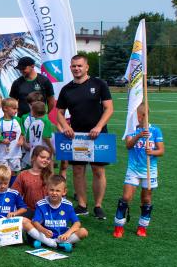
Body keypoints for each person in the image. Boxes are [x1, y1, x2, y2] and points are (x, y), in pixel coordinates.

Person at [55, 54, 114, 220]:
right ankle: (82, 205)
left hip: (98, 135)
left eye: (80, 65)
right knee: (78, 170)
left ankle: (98, 206)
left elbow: (109, 108)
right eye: (74, 66)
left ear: (86, 67)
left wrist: (99, 126)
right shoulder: (66, 89)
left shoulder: (99, 84)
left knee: (98, 170)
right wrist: (66, 127)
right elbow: (59, 113)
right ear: (70, 68)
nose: (77, 68)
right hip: (77, 137)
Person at [114, 104, 164, 238]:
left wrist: (152, 152)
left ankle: (142, 227)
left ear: (142, 116)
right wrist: (139, 136)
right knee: (126, 197)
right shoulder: (131, 130)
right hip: (133, 169)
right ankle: (118, 226)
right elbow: (128, 146)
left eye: (136, 116)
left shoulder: (156, 131)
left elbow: (161, 151)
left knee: (146, 198)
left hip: (149, 170)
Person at [23, 175, 88, 252]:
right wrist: (43, 230)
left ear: (64, 192)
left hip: (62, 236)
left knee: (83, 232)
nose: (54, 193)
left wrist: (67, 233)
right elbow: (35, 222)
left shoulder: (68, 205)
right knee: (26, 224)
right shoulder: (41, 204)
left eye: (58, 191)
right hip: (46, 235)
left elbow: (77, 223)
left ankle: (47, 243)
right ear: (47, 189)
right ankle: (55, 244)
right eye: (51, 190)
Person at [12, 145, 52, 214]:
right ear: (34, 157)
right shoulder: (23, 174)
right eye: (42, 157)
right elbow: (14, 194)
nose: (45, 160)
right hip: (27, 210)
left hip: (46, 211)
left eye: (48, 159)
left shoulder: (50, 176)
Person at [0, 98, 24, 173]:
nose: (16, 111)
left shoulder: (18, 120)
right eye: (14, 108)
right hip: (2, 154)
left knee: (14, 173)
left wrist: (21, 140)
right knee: (3, 173)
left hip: (15, 153)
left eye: (17, 109)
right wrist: (2, 140)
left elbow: (22, 133)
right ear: (5, 108)